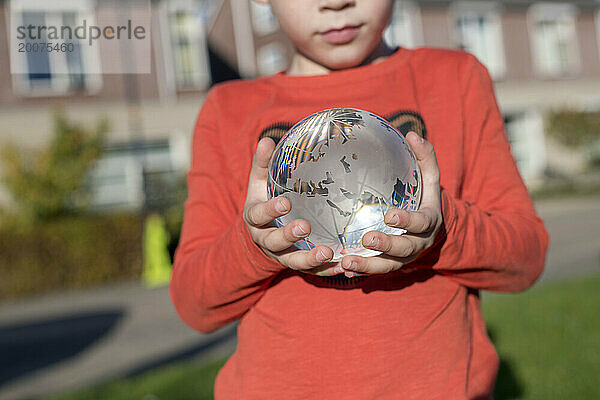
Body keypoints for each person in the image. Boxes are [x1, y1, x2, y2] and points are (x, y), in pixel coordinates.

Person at [169, 0, 549, 398]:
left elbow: (526, 260)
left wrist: (443, 230)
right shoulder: (226, 110)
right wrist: (255, 245)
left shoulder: (455, 79)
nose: (336, 3)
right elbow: (195, 304)